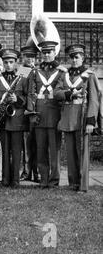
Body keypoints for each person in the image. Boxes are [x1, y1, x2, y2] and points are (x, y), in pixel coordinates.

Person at [54, 44, 100, 192]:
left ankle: (83, 185)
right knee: (70, 153)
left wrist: (91, 121)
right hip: (68, 117)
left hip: (82, 117)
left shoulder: (89, 75)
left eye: (77, 57)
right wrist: (70, 94)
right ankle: (72, 182)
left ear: (83, 58)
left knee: (82, 153)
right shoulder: (65, 75)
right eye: (72, 57)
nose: (74, 60)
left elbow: (94, 99)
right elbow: (56, 93)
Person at [27, 41, 67, 189]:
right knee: (40, 149)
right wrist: (32, 112)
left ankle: (54, 180)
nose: (47, 55)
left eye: (49, 52)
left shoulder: (62, 72)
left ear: (54, 53)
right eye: (44, 52)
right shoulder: (35, 72)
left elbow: (62, 94)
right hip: (39, 115)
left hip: (54, 114)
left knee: (54, 150)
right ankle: (43, 179)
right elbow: (31, 93)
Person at [0, 49, 27, 188]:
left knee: (16, 150)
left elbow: (29, 97)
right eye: (5, 62)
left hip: (17, 119)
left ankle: (15, 180)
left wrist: (18, 99)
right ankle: (5, 179)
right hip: (2, 120)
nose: (8, 65)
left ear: (16, 63)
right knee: (4, 150)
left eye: (11, 62)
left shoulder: (23, 77)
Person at [19, 45, 40, 183]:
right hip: (25, 112)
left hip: (38, 111)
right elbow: (18, 92)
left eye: (32, 57)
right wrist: (25, 104)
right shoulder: (22, 71)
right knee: (26, 144)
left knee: (38, 143)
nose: (30, 59)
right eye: (27, 57)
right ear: (23, 58)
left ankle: (37, 173)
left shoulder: (39, 71)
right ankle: (26, 172)